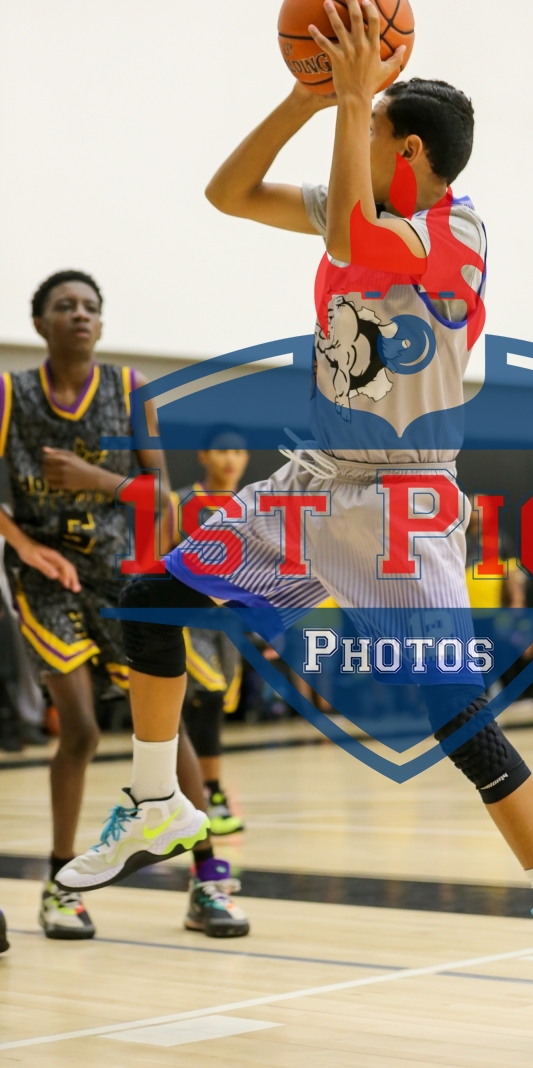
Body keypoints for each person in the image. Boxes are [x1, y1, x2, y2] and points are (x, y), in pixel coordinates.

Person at [59, 0, 533, 1026]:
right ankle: (156, 802)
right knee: (151, 600)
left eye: (370, 128)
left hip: (406, 505)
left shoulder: (458, 228)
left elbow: (356, 232)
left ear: (407, 151)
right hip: (316, 481)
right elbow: (227, 192)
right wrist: (307, 98)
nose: (354, 135)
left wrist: (358, 94)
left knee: (460, 726)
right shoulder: (355, 199)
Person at [0, 270, 248, 939]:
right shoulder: (11, 394)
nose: (80, 314)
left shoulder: (131, 388)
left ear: (102, 323)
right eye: (65, 306)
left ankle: (208, 882)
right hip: (50, 576)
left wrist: (95, 478)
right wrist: (23, 543)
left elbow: (159, 494)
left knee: (168, 729)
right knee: (80, 730)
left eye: (90, 306)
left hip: (120, 573)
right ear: (41, 323)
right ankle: (60, 888)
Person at [171, 441, 248, 835]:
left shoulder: (252, 506)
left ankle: (173, 793)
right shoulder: (181, 503)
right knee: (209, 695)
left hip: (228, 622)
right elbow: (154, 556)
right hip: (189, 618)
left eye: (238, 451)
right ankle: (211, 796)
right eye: (221, 450)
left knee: (213, 700)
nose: (230, 459)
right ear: (203, 455)